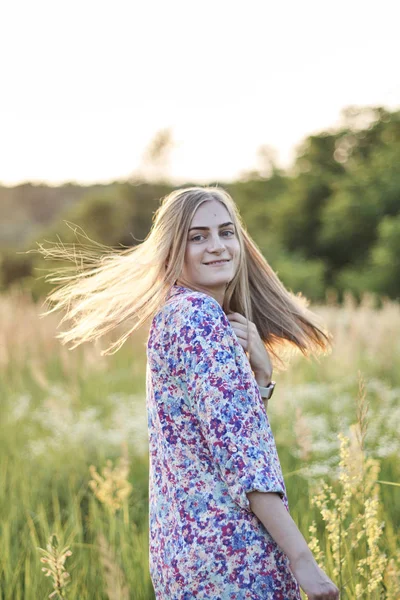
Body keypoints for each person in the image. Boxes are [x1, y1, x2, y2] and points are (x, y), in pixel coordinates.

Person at [32, 185, 340, 599]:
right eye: (198, 237)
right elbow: (246, 462)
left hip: (184, 555)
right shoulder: (198, 319)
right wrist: (304, 560)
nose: (216, 246)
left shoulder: (174, 314)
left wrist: (261, 378)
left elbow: (221, 434)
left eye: (226, 232)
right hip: (233, 558)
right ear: (173, 248)